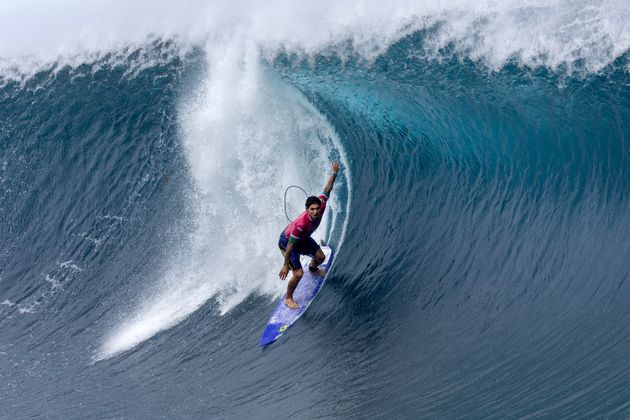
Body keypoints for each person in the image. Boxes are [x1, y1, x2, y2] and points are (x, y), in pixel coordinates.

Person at [278, 161, 340, 309]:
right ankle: (288, 298)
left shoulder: (322, 205)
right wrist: (286, 265)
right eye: (311, 209)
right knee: (298, 274)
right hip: (287, 242)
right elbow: (291, 245)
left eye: (317, 209)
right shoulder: (301, 225)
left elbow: (326, 189)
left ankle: (313, 269)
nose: (315, 212)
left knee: (320, 257)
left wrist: (335, 173)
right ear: (306, 209)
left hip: (303, 239)